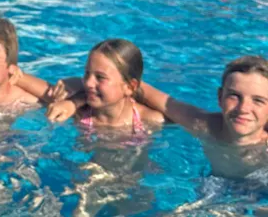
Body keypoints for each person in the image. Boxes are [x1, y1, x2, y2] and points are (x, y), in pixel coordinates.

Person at [136, 55, 268, 178]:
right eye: (234, 96)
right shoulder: (205, 126)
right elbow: (164, 102)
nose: (243, 109)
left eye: (258, 100)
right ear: (220, 97)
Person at [36, 39, 164, 134]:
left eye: (100, 77)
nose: (88, 83)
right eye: (87, 73)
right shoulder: (76, 112)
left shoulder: (150, 121)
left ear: (129, 87)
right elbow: (37, 88)